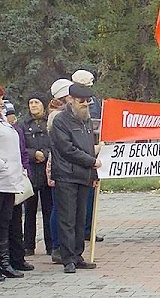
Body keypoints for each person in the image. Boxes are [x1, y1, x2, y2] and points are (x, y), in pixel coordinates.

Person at [49, 83, 101, 273]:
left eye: (88, 101)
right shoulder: (60, 121)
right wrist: (91, 162)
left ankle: (78, 255)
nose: (85, 104)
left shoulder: (85, 120)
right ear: (70, 100)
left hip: (84, 175)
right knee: (67, 218)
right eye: (81, 101)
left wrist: (93, 173)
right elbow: (67, 149)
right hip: (66, 175)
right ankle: (67, 258)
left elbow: (89, 146)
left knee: (80, 218)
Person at [71, 70, 105, 243]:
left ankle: (88, 229)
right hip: (80, 156)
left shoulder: (94, 102)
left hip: (93, 150)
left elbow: (98, 122)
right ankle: (81, 231)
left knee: (91, 194)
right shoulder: (70, 108)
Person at [21, 92, 53, 257]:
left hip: (47, 172)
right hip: (31, 172)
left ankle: (51, 244)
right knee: (30, 211)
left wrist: (45, 154)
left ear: (43, 105)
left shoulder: (50, 123)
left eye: (36, 102)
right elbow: (21, 147)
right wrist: (34, 154)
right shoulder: (24, 125)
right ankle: (28, 245)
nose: (33, 105)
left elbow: (55, 143)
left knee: (49, 210)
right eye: (31, 102)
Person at [46, 78, 74, 264]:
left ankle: (63, 244)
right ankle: (56, 245)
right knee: (59, 207)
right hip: (59, 164)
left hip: (65, 164)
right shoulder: (57, 116)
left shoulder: (65, 113)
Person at [0, 91, 26, 281]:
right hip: (2, 175)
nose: (2, 101)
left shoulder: (3, 119)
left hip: (9, 180)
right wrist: (4, 166)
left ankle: (4, 263)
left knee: (4, 222)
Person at [6, 101, 34, 273]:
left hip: (18, 178)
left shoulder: (16, 131)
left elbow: (23, 152)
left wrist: (25, 170)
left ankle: (18, 257)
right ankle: (7, 258)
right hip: (6, 179)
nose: (11, 118)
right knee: (6, 222)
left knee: (17, 221)